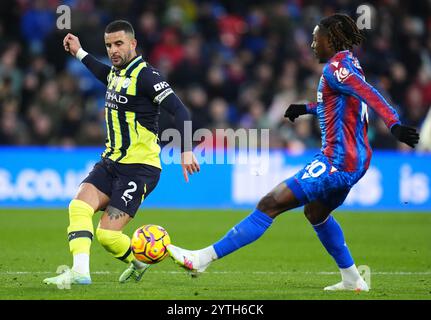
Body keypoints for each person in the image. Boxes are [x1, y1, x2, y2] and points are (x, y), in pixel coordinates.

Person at [167, 14, 420, 291]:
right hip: (355, 161)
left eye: (316, 38)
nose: (312, 44)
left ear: (331, 40)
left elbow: (370, 93)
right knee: (315, 213)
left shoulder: (336, 69)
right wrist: (307, 109)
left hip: (338, 160)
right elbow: (340, 104)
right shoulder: (349, 62)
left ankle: (201, 258)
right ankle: (352, 278)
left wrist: (394, 124)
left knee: (270, 203)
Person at [43, 20, 200, 286]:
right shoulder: (117, 72)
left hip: (140, 168)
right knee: (78, 206)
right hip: (111, 161)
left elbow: (180, 110)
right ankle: (80, 272)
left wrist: (185, 151)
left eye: (118, 44)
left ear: (133, 44)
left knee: (107, 236)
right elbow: (105, 74)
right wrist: (80, 52)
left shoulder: (147, 76)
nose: (113, 50)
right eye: (108, 45)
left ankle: (148, 257)